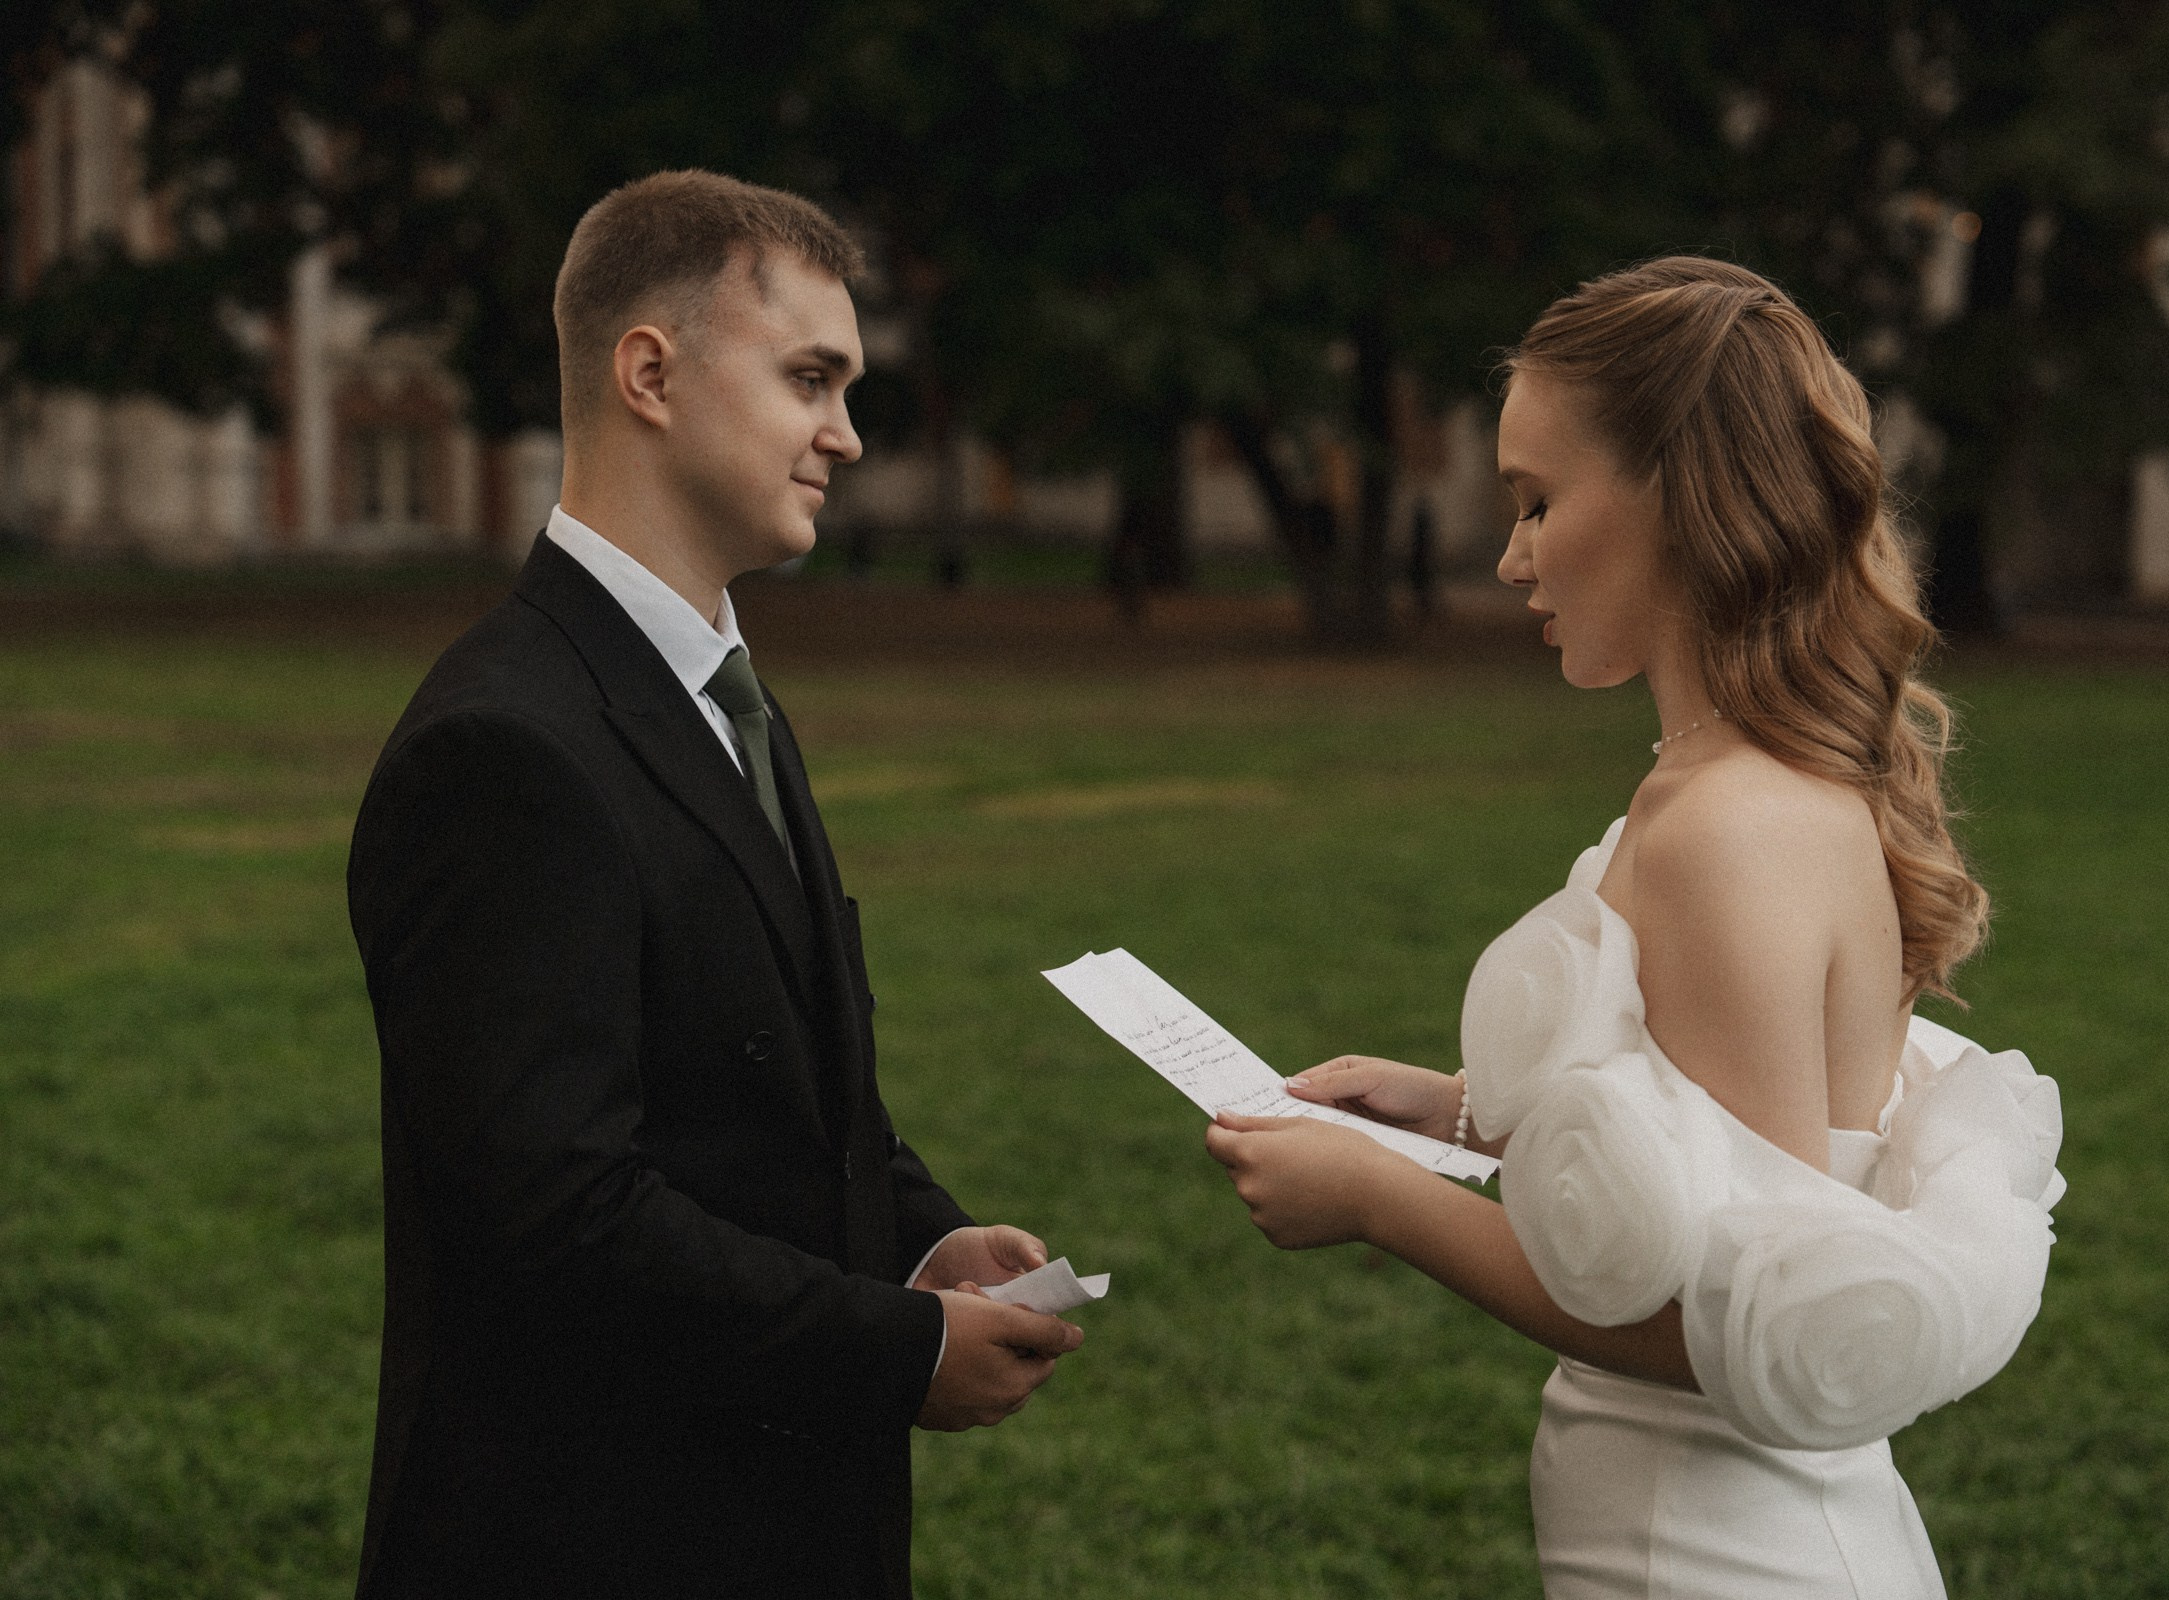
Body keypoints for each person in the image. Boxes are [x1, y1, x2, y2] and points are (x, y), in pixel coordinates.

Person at [1204, 257, 2063, 1598]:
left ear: (1682, 496)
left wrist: (1379, 1200)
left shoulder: (1731, 827)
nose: (1510, 555)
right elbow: (1708, 1149)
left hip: (1724, 1550)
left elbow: (1723, 1320)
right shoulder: (1727, 782)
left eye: (1540, 502)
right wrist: (1446, 1113)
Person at [346, 170, 1085, 1600]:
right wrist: (897, 1352)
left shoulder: (717, 686)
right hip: (596, 1538)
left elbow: (763, 1078)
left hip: (777, 1513)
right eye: (811, 378)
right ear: (649, 374)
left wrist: (921, 1236)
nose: (848, 435)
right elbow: (554, 1225)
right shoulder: (501, 746)